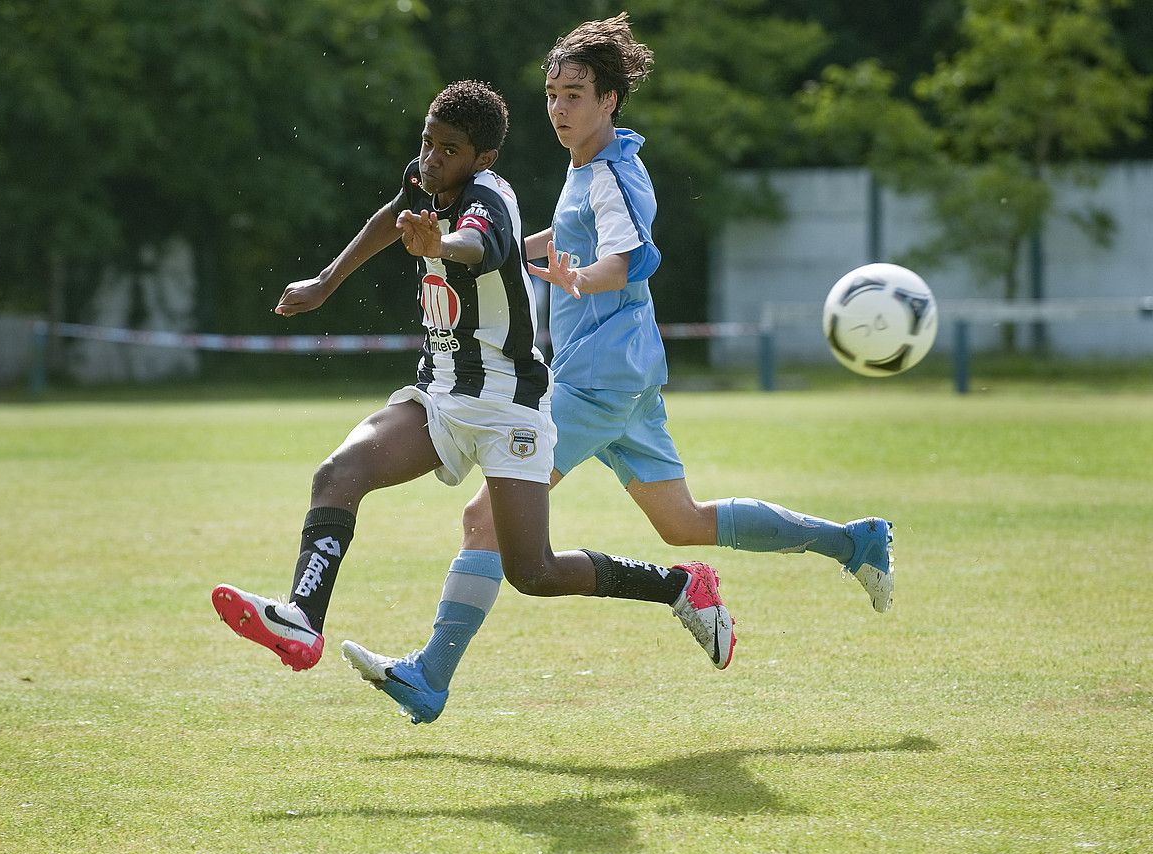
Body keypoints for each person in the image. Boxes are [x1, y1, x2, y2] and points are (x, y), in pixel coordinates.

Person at [342, 19, 893, 724]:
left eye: (574, 94)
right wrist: (520, 251)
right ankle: (855, 541)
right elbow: (564, 239)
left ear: (609, 101)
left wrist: (580, 279)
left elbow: (626, 257)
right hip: (619, 373)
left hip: (596, 378)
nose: (559, 109)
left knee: (485, 518)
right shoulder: (587, 169)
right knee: (683, 522)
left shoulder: (613, 172)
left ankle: (429, 678)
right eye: (551, 94)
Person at [210, 80, 735, 720]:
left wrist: (438, 246)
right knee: (338, 473)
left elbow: (477, 246)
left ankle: (680, 586)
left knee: (532, 572)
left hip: (509, 405)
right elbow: (391, 217)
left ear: (481, 158)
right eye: (427, 142)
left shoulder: (492, 200)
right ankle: (300, 619)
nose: (431, 158)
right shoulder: (428, 180)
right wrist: (325, 282)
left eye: (448, 149)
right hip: (440, 394)